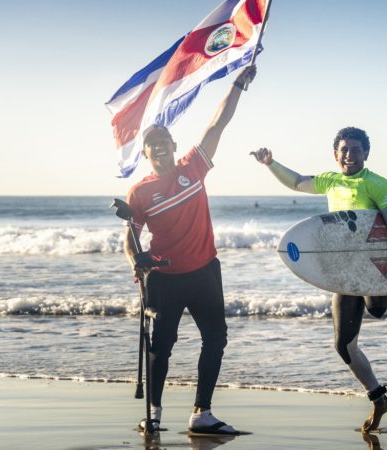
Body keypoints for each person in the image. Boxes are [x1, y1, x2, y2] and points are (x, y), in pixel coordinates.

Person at [123, 66, 257, 434]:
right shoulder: (139, 193)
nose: (161, 146)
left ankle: (202, 412)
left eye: (165, 139)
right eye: (153, 143)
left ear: (174, 145)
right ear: (146, 151)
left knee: (216, 338)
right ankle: (153, 413)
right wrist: (138, 263)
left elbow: (217, 125)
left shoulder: (193, 167)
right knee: (161, 347)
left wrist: (237, 85)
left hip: (204, 273)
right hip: (165, 279)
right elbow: (130, 239)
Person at [249, 127, 387, 432]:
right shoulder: (331, 181)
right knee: (342, 345)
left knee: (376, 310)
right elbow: (297, 182)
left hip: (373, 268)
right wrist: (271, 164)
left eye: (356, 149)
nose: (350, 155)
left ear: (366, 153)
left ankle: (378, 392)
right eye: (344, 149)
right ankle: (379, 398)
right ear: (336, 154)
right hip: (343, 272)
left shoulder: (377, 184)